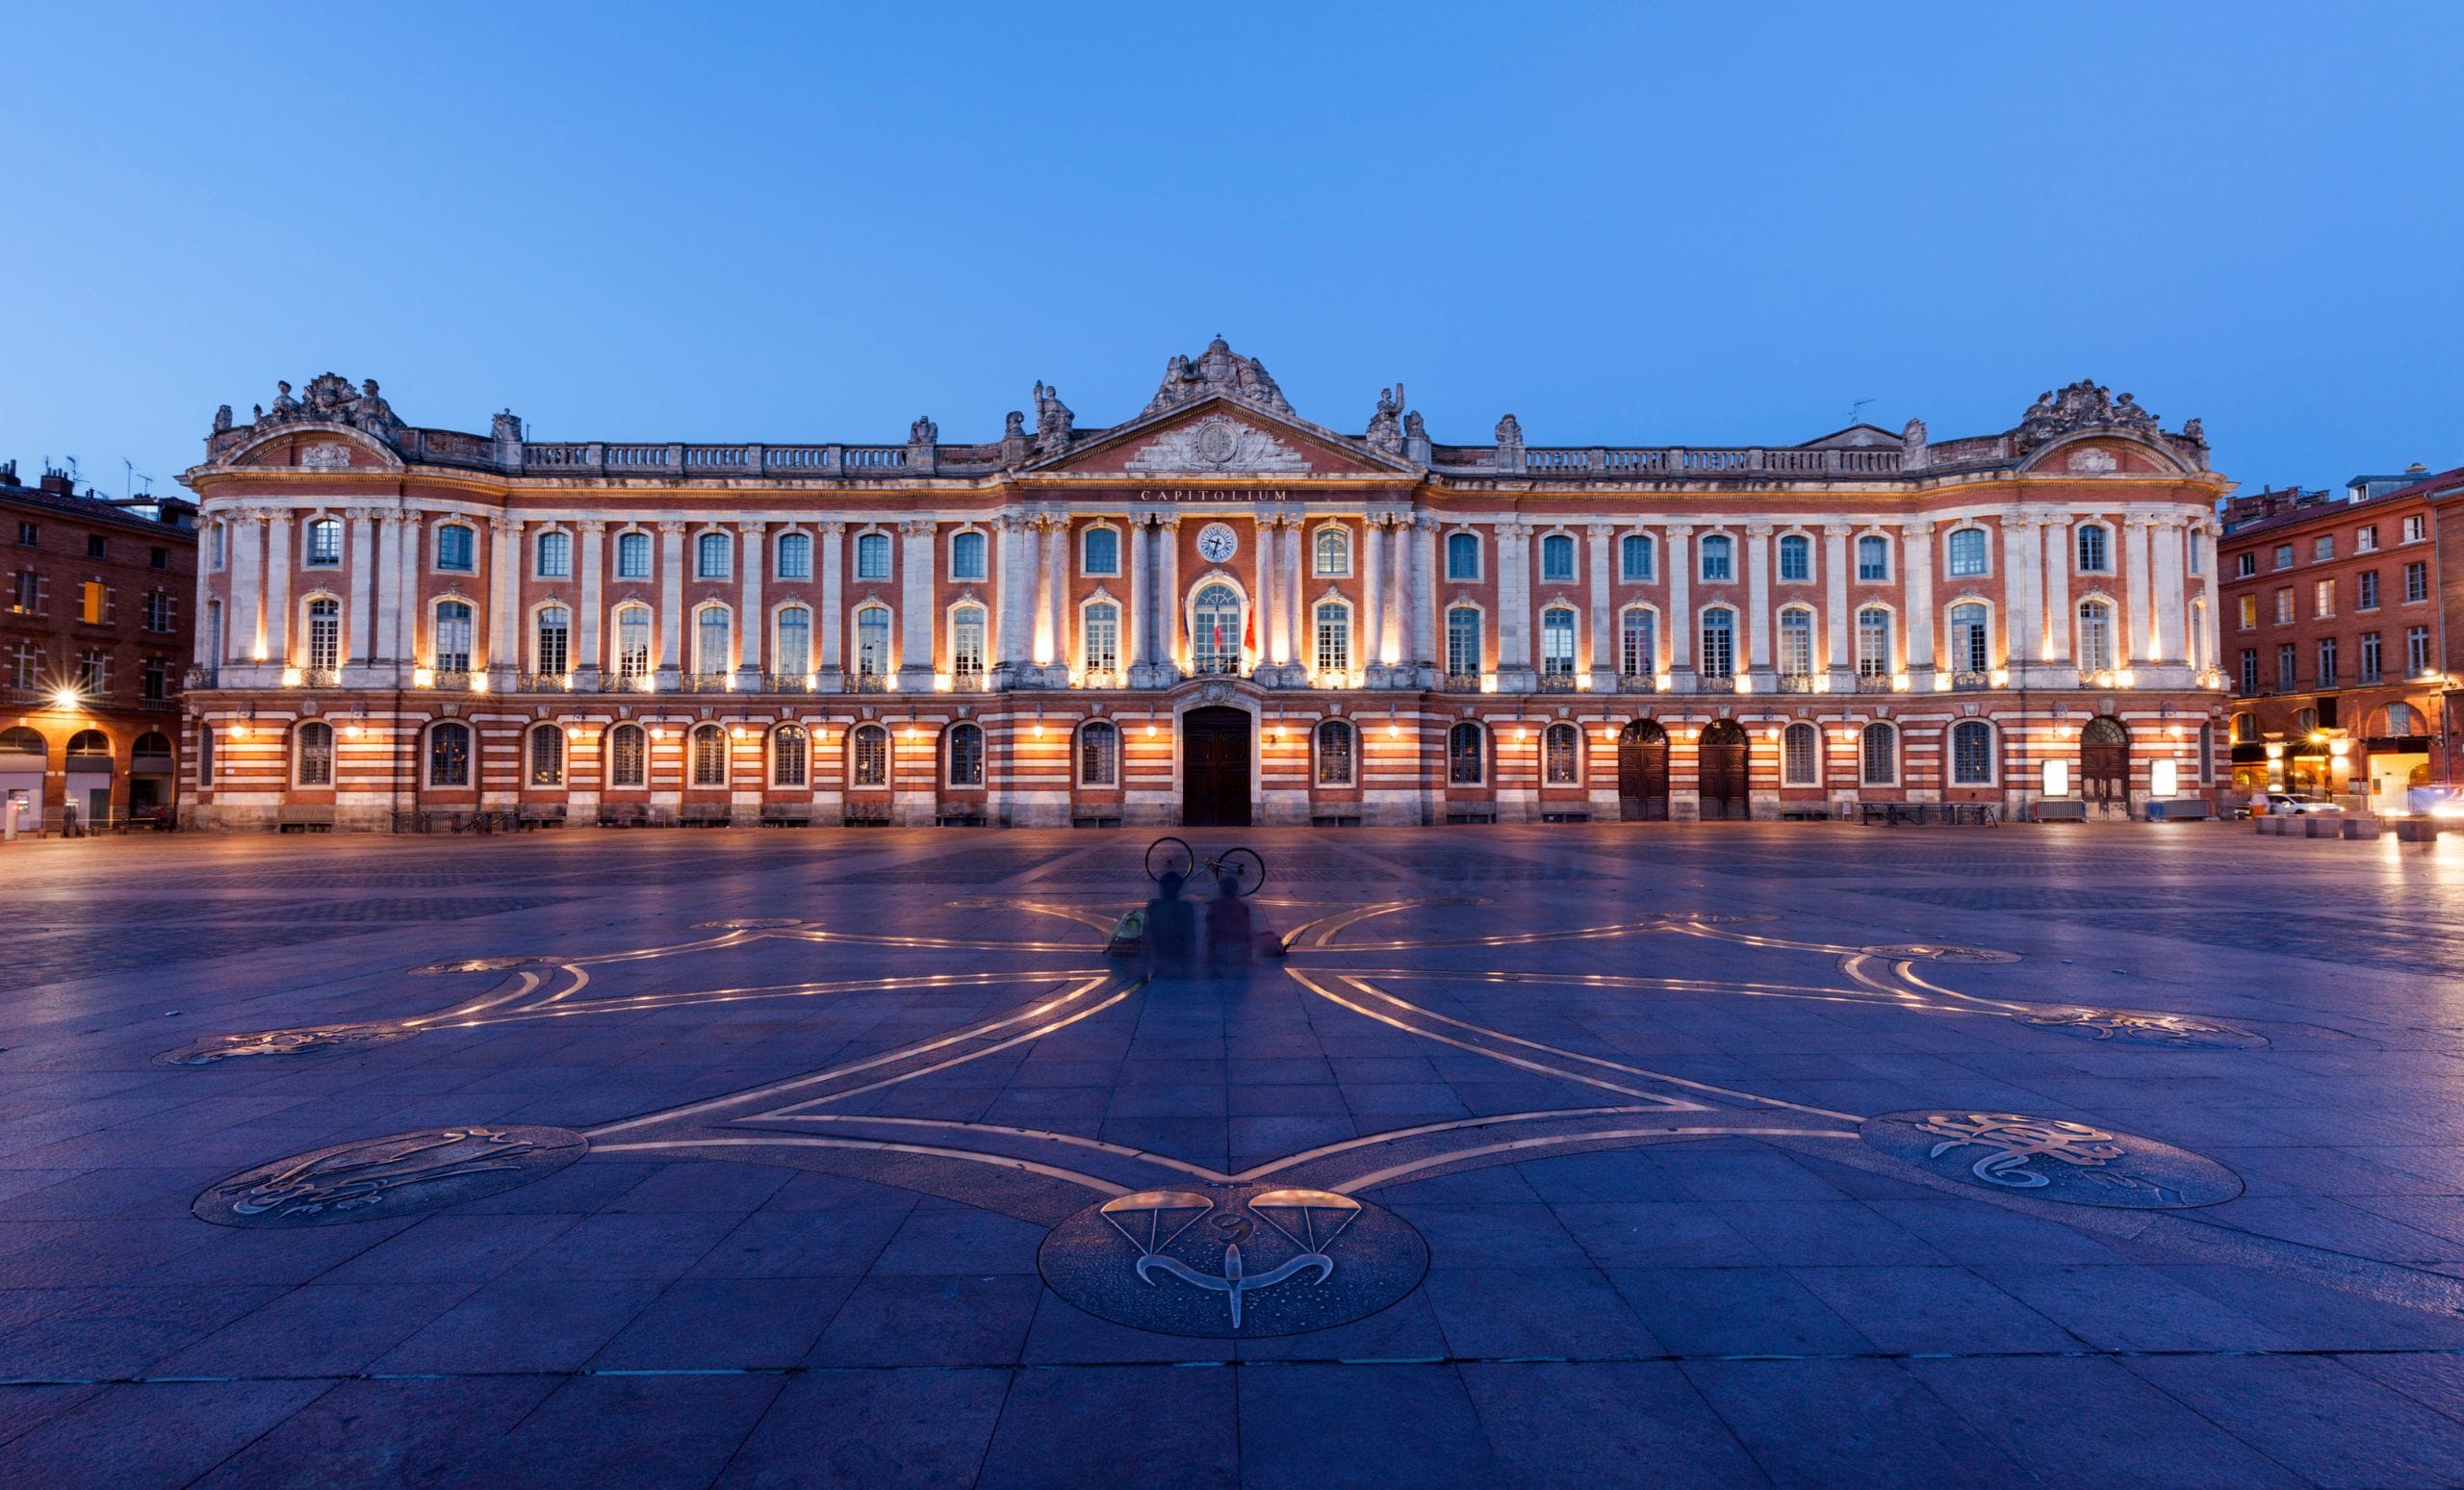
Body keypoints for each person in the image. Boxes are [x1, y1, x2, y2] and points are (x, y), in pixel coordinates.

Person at [1142, 870, 1199, 976]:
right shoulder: (1186, 906)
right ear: (1178, 889)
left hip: (1160, 954)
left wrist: (1146, 956)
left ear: (1161, 888)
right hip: (1179, 956)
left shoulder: (1153, 905)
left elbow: (1147, 932)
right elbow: (1190, 935)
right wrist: (1192, 960)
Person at [1204, 868, 1254, 975]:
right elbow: (1247, 933)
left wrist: (1209, 958)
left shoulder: (1214, 906)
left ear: (1221, 890)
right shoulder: (1242, 907)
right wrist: (1249, 956)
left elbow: (1211, 934)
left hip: (1220, 950)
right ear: (1236, 890)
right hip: (1238, 950)